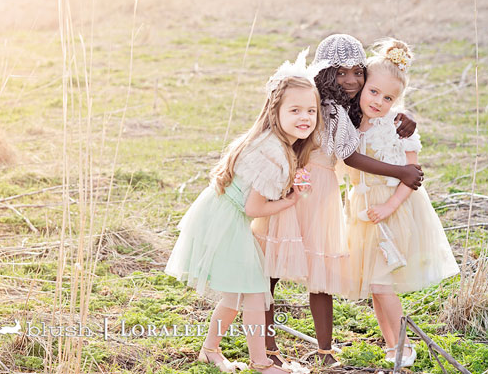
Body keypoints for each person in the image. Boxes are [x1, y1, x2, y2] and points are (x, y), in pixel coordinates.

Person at [253, 34, 424, 367]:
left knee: (322, 271)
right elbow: (350, 155)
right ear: (325, 72)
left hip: (323, 192)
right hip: (295, 184)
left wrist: (401, 117)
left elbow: (375, 111)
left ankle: (325, 349)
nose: (351, 80)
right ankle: (268, 347)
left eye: (358, 72)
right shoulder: (323, 104)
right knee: (271, 266)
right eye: (341, 72)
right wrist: (400, 172)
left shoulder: (347, 106)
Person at [165, 54, 322, 374]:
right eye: (295, 110)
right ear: (274, 112)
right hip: (229, 218)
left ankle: (209, 350)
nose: (305, 117)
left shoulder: (277, 144)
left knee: (237, 293)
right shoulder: (274, 152)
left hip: (222, 213)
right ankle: (261, 363)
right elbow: (253, 208)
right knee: (253, 292)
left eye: (311, 110)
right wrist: (290, 201)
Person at [343, 38, 459, 367]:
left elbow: (413, 175)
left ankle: (404, 346)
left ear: (399, 100)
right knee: (376, 287)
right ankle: (391, 342)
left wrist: (390, 207)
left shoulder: (397, 126)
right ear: (363, 86)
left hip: (392, 210)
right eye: (374, 92)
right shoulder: (351, 119)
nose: (379, 101)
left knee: (381, 282)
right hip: (362, 211)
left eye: (389, 97)